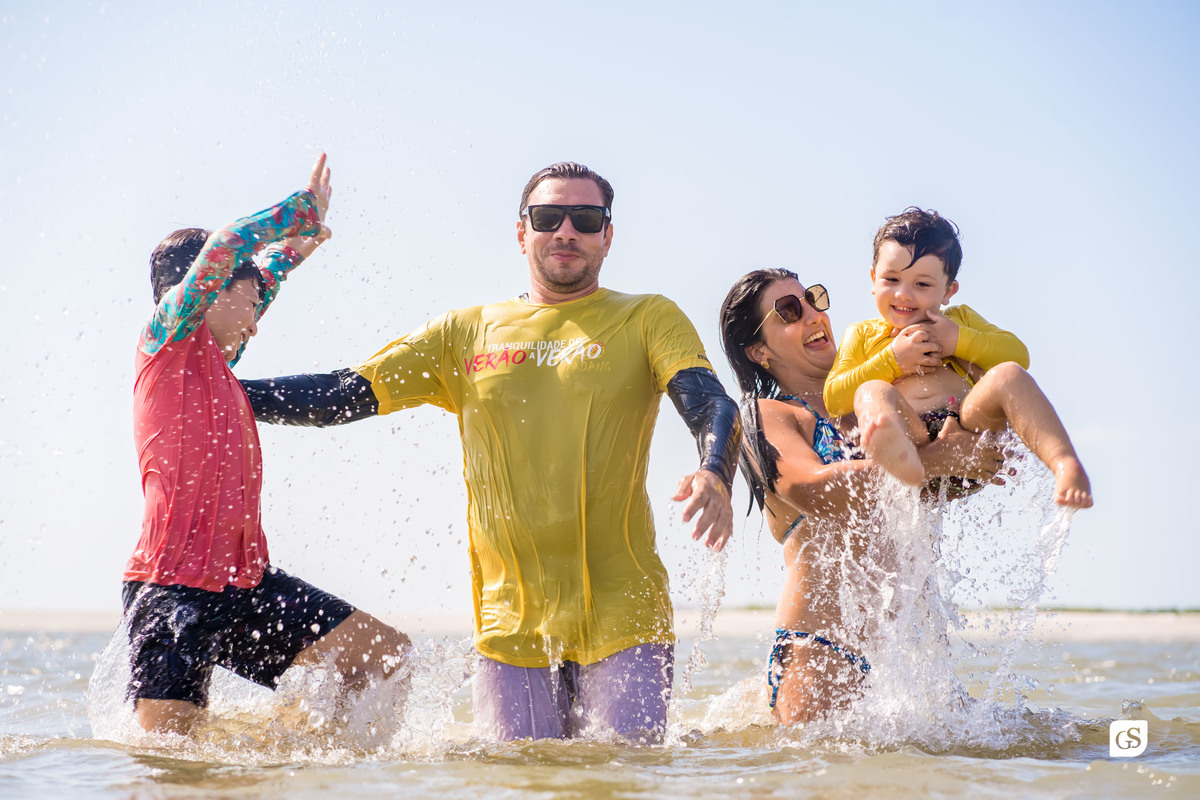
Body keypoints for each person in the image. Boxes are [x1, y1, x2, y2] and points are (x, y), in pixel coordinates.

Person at [238, 162, 741, 742]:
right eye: (548, 218)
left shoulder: (647, 316)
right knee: (516, 777)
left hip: (626, 614)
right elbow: (342, 393)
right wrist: (221, 389)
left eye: (586, 218)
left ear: (608, 235)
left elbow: (709, 402)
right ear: (522, 232)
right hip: (509, 627)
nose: (566, 231)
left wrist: (714, 471)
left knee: (624, 773)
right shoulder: (466, 332)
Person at [124, 154, 411, 736]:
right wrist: (297, 211)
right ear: (205, 290)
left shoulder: (216, 367)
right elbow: (228, 246)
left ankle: (291, 758)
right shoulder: (166, 343)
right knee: (171, 767)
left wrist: (294, 251)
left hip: (246, 584)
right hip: (171, 590)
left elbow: (255, 278)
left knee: (386, 658)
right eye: (250, 306)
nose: (255, 324)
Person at [719, 268, 1004, 724]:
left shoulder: (875, 406)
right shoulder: (767, 415)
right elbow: (810, 488)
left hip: (910, 656)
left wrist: (978, 458)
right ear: (758, 351)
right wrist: (935, 460)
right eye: (789, 311)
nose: (813, 315)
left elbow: (929, 485)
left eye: (813, 300)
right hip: (825, 648)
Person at [823, 207, 1092, 507]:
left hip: (970, 434)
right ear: (874, 279)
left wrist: (957, 340)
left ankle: (1064, 463)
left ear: (948, 290)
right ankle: (894, 450)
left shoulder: (959, 320)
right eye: (891, 279)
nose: (903, 294)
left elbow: (1019, 355)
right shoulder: (862, 334)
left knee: (1009, 374)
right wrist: (892, 360)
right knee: (872, 391)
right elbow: (834, 398)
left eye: (922, 284)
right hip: (912, 441)